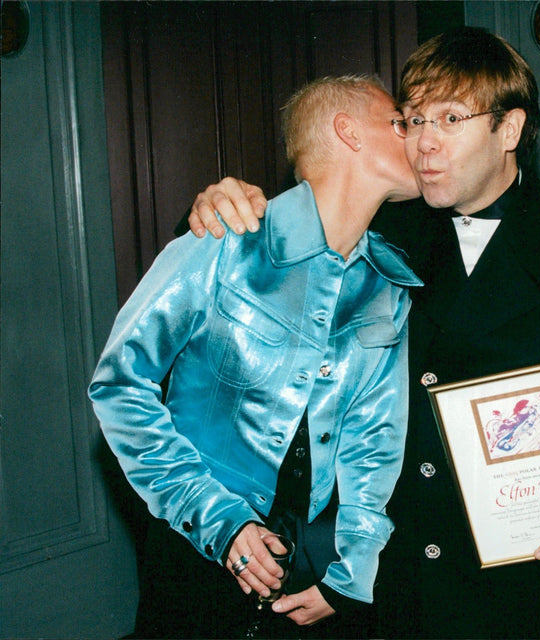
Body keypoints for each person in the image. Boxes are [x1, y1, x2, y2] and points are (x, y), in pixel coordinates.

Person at [188, 27, 540, 639]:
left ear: (509, 129)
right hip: (405, 588)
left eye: (451, 119)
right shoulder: (385, 237)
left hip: (531, 592)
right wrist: (230, 208)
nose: (424, 143)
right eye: (413, 120)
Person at [88, 75, 422, 639]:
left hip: (310, 575)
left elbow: (375, 440)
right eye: (398, 121)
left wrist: (353, 571)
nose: (415, 135)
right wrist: (217, 518)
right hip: (195, 561)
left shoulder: (387, 284)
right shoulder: (225, 239)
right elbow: (119, 385)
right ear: (348, 132)